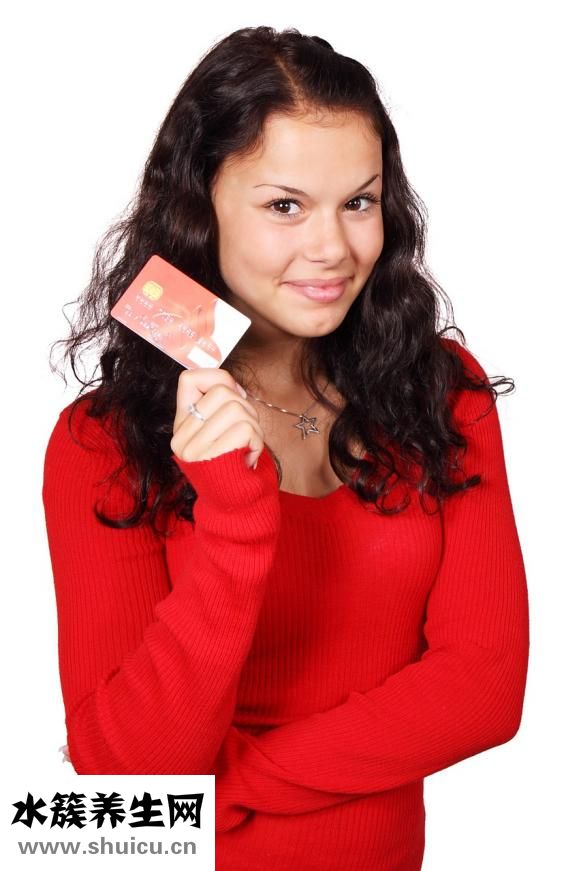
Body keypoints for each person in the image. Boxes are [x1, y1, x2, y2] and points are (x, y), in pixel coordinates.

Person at [42, 25, 530, 871]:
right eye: (283, 206)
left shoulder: (438, 388)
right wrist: (234, 516)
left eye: (358, 202)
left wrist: (237, 785)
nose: (332, 248)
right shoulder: (103, 442)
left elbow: (484, 687)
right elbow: (129, 773)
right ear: (198, 207)